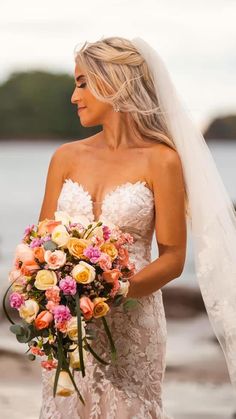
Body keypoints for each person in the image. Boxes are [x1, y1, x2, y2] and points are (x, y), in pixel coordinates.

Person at [39, 36, 186, 418]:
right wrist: (53, 293)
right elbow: (42, 243)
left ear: (114, 82)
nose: (75, 96)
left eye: (83, 82)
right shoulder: (65, 157)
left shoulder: (163, 161)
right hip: (69, 325)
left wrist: (115, 292)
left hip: (134, 324)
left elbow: (173, 257)